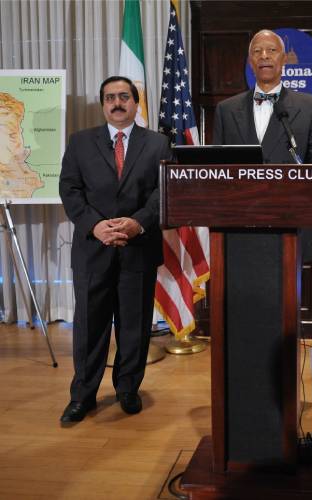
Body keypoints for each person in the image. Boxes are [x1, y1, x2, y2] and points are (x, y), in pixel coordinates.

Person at [59, 76, 172, 424]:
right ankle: (82, 395)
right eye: (110, 98)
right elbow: (70, 190)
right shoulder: (80, 142)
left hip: (139, 248)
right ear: (103, 104)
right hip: (93, 249)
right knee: (89, 326)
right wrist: (96, 226)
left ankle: (128, 389)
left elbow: (164, 191)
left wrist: (138, 222)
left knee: (134, 326)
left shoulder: (158, 143)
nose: (117, 103)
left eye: (124, 96)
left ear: (136, 103)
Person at [213, 29, 312, 255]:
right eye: (257, 51)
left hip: (291, 224)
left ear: (284, 59)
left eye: (272, 50)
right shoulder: (226, 110)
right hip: (239, 228)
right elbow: (216, 166)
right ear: (250, 62)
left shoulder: (310, 107)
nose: (264, 56)